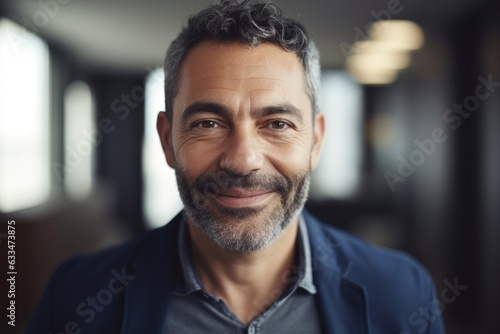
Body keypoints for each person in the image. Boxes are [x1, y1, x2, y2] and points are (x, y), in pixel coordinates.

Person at [27, 1, 445, 333]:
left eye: (277, 124)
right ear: (167, 140)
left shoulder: (402, 291)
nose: (243, 160)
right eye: (208, 124)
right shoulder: (76, 296)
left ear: (316, 140)